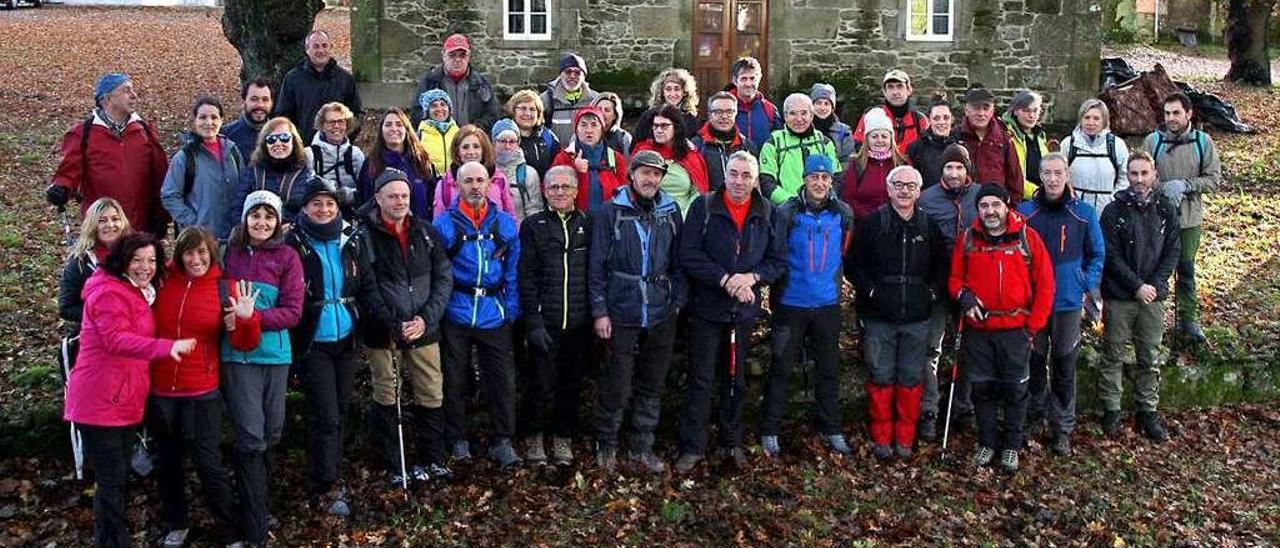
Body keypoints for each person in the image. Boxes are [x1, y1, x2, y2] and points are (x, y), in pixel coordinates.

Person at [63, 233, 195, 547]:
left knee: (117, 477)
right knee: (111, 481)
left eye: (151, 260)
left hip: (122, 397)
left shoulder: (137, 291)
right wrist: (167, 348)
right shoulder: (109, 292)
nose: (145, 266)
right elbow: (115, 339)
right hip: (100, 400)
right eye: (137, 259)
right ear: (122, 259)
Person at [675, 151, 786, 472]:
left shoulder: (767, 212)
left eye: (746, 176)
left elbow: (777, 260)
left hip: (743, 313)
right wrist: (725, 279)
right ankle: (692, 447)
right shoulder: (704, 206)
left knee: (736, 380)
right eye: (734, 174)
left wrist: (751, 278)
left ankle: (731, 442)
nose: (739, 182)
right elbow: (689, 254)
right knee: (700, 378)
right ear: (725, 174)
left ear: (755, 180)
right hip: (707, 309)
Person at [149, 227, 251, 547]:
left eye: (203, 252)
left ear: (212, 253)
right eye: (190, 253)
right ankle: (176, 523)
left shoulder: (226, 288)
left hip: (202, 389)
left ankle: (229, 529)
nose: (197, 259)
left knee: (209, 464)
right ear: (179, 255)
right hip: (161, 388)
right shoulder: (161, 283)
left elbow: (243, 343)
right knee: (167, 462)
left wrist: (245, 322)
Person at [355, 168, 455, 485]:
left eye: (404, 196)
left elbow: (443, 278)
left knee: (431, 392)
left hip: (425, 329)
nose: (399, 201)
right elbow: (366, 288)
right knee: (388, 394)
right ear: (378, 198)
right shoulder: (364, 237)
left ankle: (433, 458)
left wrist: (426, 318)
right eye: (392, 196)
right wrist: (392, 324)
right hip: (384, 334)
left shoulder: (425, 232)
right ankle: (393, 462)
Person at [589, 150, 686, 473]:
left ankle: (641, 446)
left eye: (656, 174)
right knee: (617, 381)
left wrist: (677, 300)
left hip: (661, 307)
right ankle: (607, 444)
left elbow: (679, 261)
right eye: (644, 173)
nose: (650, 179)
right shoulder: (610, 212)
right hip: (621, 305)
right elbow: (597, 265)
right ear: (631, 175)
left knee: (652, 381)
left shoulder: (670, 212)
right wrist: (600, 310)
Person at [947, 184, 1054, 473]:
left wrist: (1032, 327)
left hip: (1016, 329)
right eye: (984, 206)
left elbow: (1045, 285)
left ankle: (1011, 446)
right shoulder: (968, 239)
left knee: (1015, 390)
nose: (990, 211)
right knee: (982, 388)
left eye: (996, 205)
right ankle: (988, 442)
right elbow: (955, 278)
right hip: (979, 328)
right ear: (978, 209)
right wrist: (964, 296)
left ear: (1007, 206)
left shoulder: (1026, 238)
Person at [221, 191, 304, 546]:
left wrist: (253, 316)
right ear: (245, 218)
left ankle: (257, 500)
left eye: (268, 216)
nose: (261, 223)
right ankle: (254, 520)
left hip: (275, 354)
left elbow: (293, 310)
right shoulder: (229, 253)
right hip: (239, 358)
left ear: (278, 221)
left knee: (272, 430)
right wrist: (231, 317)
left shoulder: (287, 257)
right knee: (251, 434)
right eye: (255, 215)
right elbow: (215, 299)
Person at [849, 166, 948, 459]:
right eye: (898, 185)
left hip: (917, 316)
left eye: (911, 186)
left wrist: (930, 293)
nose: (904, 191)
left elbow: (942, 266)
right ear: (889, 189)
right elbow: (854, 264)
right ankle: (882, 438)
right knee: (880, 376)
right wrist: (871, 293)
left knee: (910, 377)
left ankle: (904, 439)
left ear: (919, 191)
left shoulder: (928, 226)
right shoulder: (871, 224)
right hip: (879, 316)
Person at [758, 155, 854, 458]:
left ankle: (831, 428)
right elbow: (775, 252)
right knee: (781, 368)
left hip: (827, 304)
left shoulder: (843, 212)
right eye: (815, 177)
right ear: (805, 179)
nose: (820, 183)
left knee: (828, 369)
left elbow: (844, 251)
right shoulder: (787, 212)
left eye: (825, 178)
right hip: (791, 303)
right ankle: (770, 429)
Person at [434, 162, 523, 469]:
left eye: (480, 180)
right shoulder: (444, 226)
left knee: (500, 380)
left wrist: (511, 308)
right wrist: (441, 310)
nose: (474, 186)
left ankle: (502, 440)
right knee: (455, 379)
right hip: (457, 311)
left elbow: (514, 269)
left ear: (489, 184)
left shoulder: (505, 224)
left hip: (494, 313)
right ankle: (458, 439)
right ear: (456, 186)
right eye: (468, 181)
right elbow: (438, 273)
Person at [1015, 153, 1105, 455]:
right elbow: (1015, 253)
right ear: (1039, 176)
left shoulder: (1083, 213)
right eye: (1047, 173)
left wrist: (1083, 282)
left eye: (1058, 173)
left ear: (1067, 175)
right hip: (1034, 301)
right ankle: (1034, 416)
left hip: (1067, 301)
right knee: (1035, 362)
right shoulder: (1025, 213)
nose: (1052, 179)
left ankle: (1062, 427)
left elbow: (1097, 254)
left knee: (1065, 363)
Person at [284, 178, 363, 513]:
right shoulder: (293, 241)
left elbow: (363, 281)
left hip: (346, 334)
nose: (324, 209)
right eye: (316, 204)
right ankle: (325, 484)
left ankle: (332, 471)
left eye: (329, 203)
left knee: (340, 410)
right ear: (304, 207)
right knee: (325, 414)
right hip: (313, 338)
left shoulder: (348, 237)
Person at [1097, 151, 1180, 442]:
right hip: (1121, 295)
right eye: (1134, 174)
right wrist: (1135, 286)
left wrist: (1154, 284)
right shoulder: (1113, 210)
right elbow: (1111, 255)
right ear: (1127, 175)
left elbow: (1173, 250)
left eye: (1144, 173)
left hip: (1153, 297)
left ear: (1154, 174)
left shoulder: (1166, 208)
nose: (1139, 180)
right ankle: (1111, 409)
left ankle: (1147, 410)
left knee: (1150, 357)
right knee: (1113, 353)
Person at [518, 166, 592, 466]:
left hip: (578, 323)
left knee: (571, 383)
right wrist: (533, 323)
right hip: (546, 321)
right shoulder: (534, 225)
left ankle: (563, 436)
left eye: (565, 187)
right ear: (545, 191)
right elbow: (527, 277)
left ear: (576, 190)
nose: (560, 192)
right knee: (541, 383)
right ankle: (534, 436)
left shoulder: (588, 223)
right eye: (553, 187)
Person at [1143, 91, 1223, 344]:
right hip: (1157, 218)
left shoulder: (1203, 142)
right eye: (1167, 113)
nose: (1171, 118)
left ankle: (1188, 320)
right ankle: (1149, 321)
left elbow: (1214, 180)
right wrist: (1160, 188)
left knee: (1186, 270)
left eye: (1176, 113)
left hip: (1189, 218)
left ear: (1189, 114)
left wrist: (1186, 185)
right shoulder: (1152, 141)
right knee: (1153, 269)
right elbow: (1140, 176)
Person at [46, 72, 170, 235]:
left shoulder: (144, 131)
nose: (134, 95)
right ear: (107, 98)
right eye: (126, 90)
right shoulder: (83, 134)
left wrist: (161, 217)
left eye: (133, 90)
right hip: (102, 227)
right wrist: (61, 188)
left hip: (140, 226)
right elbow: (68, 172)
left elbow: (161, 175)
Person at [916, 143, 980, 437]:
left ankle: (963, 405)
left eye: (959, 168)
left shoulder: (980, 196)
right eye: (949, 168)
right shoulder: (927, 199)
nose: (954, 174)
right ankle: (929, 409)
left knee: (969, 348)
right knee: (932, 347)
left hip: (972, 284)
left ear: (967, 170)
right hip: (938, 285)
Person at [161, 97, 244, 239]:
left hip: (233, 238)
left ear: (221, 120)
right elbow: (169, 195)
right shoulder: (185, 157)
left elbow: (243, 188)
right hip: (200, 240)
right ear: (195, 121)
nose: (209, 123)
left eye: (214, 117)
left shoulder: (233, 151)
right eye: (203, 117)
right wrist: (193, 223)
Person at [60, 199, 133, 335]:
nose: (110, 225)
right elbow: (66, 307)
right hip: (96, 334)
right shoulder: (80, 262)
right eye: (102, 221)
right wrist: (102, 316)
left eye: (115, 219)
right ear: (92, 225)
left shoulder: (137, 254)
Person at [275, 29, 362, 142]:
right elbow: (283, 115)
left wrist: (344, 139)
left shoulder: (345, 79)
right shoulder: (293, 79)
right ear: (307, 49)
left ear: (330, 47)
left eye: (325, 46)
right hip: (303, 148)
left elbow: (356, 115)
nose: (321, 50)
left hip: (338, 149)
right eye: (316, 46)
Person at [760, 93, 842, 205]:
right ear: (785, 116)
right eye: (793, 113)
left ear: (812, 115)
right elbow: (766, 182)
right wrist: (793, 204)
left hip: (822, 209)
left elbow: (837, 177)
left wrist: (824, 200)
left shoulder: (824, 142)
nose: (799, 119)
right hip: (786, 211)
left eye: (804, 113)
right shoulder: (773, 143)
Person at [358, 108, 438, 221]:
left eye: (399, 124)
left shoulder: (422, 161)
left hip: (420, 231)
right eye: (388, 125)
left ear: (406, 129)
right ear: (381, 130)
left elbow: (433, 199)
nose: (394, 129)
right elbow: (364, 200)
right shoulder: (371, 164)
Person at [231, 116, 313, 225]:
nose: (278, 143)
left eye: (284, 137)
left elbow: (308, 210)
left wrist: (290, 226)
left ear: (294, 141)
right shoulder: (254, 171)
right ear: (265, 144)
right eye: (271, 139)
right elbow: (238, 208)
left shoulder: (304, 172)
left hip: (291, 235)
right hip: (257, 233)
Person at [632, 105, 711, 217]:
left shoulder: (690, 155)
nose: (659, 130)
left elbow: (697, 193)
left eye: (664, 126)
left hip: (684, 220)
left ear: (676, 127)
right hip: (648, 218)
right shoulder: (643, 152)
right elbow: (633, 187)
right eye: (655, 126)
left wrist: (684, 217)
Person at [412, 33, 501, 130]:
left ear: (468, 57)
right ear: (444, 56)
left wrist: (476, 128)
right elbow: (417, 113)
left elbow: (493, 113)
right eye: (452, 55)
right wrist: (440, 126)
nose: (457, 59)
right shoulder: (430, 81)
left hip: (471, 141)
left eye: (462, 55)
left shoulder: (481, 83)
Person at [551, 107, 629, 213]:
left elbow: (625, 193)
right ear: (576, 130)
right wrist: (574, 170)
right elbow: (554, 191)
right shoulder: (564, 157)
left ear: (602, 129)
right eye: (583, 125)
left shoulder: (616, 158)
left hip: (609, 221)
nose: (589, 130)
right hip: (576, 222)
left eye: (594, 125)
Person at [431, 125, 516, 218]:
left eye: (476, 146)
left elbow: (510, 216)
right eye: (465, 147)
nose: (471, 152)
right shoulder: (445, 184)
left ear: (483, 150)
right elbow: (438, 224)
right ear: (457, 152)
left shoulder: (499, 179)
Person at [956, 87, 1024, 205]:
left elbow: (1015, 179)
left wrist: (1011, 207)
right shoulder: (956, 138)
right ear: (966, 110)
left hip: (995, 208)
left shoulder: (1004, 140)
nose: (981, 113)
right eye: (976, 108)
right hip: (963, 207)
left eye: (986, 108)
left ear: (992, 111)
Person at [1061, 99, 1129, 213]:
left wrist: (1113, 201)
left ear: (1104, 121)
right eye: (1087, 117)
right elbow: (1061, 174)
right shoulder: (1068, 144)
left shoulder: (1117, 145)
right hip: (1075, 209)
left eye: (1096, 118)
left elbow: (1125, 177)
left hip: (1106, 210)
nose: (1091, 123)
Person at [842, 108, 909, 220]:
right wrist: (871, 218)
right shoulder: (857, 164)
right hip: (866, 224)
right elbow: (848, 198)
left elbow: (911, 194)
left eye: (884, 136)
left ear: (891, 139)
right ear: (867, 140)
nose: (879, 140)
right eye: (874, 136)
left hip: (897, 222)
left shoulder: (902, 164)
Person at [693, 91, 759, 193]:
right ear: (710, 115)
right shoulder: (697, 146)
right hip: (709, 205)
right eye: (718, 112)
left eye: (729, 112)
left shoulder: (748, 147)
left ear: (736, 113)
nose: (724, 116)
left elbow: (756, 185)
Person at [853, 69, 929, 154]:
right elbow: (858, 147)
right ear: (884, 92)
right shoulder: (871, 116)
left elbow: (928, 152)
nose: (895, 92)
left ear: (909, 90)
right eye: (890, 87)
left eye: (900, 86)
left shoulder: (920, 120)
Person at [308, 101, 364, 210]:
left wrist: (348, 195)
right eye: (331, 122)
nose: (336, 126)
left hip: (350, 212)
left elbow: (365, 189)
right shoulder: (310, 154)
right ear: (322, 126)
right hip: (320, 211)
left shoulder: (356, 155)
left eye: (341, 122)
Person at [1001, 90, 1051, 200]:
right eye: (1026, 111)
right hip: (1018, 198)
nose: (1032, 115)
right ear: (1015, 111)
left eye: (1035, 110)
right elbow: (1011, 175)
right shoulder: (1006, 135)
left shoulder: (1039, 135)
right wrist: (1038, 192)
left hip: (1042, 197)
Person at [541, 53, 600, 146]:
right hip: (556, 157)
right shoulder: (546, 99)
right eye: (568, 71)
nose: (572, 76)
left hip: (587, 156)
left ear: (584, 77)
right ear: (560, 74)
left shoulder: (595, 100)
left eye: (577, 72)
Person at [492, 118, 544, 223]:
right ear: (493, 142)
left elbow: (534, 211)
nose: (507, 146)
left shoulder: (528, 174)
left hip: (520, 235)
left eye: (512, 142)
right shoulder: (485, 172)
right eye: (502, 141)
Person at [725, 56, 781, 150]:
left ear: (759, 79)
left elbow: (779, 142)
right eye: (744, 79)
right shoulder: (723, 108)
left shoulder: (770, 109)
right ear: (735, 81)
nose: (748, 84)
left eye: (752, 78)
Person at [907, 95, 960, 190]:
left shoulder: (960, 148)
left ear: (952, 119)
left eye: (946, 117)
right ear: (929, 120)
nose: (941, 122)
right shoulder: (916, 148)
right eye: (936, 118)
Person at [505, 89, 560, 176]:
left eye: (532, 109)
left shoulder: (548, 137)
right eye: (523, 108)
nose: (527, 113)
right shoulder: (504, 137)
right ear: (513, 110)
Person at [224, 77, 274, 163]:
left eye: (265, 100)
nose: (260, 105)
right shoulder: (227, 136)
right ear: (244, 102)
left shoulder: (281, 135)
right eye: (254, 99)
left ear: (271, 103)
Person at [640, 68, 700, 136]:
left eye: (677, 89)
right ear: (662, 92)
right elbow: (637, 144)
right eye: (668, 89)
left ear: (684, 92)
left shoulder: (691, 120)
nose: (672, 94)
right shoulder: (648, 117)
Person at [416, 89, 460, 176]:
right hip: (430, 183)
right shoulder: (420, 134)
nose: (439, 109)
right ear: (427, 111)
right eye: (434, 106)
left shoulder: (458, 132)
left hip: (455, 182)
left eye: (443, 105)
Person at [810, 82, 857, 162]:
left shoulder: (844, 131)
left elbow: (847, 160)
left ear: (832, 108)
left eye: (826, 104)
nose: (822, 108)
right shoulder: (804, 128)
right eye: (818, 103)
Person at [593, 92, 633, 158]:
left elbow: (629, 164)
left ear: (615, 115)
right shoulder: (582, 133)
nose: (602, 113)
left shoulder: (624, 138)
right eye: (599, 109)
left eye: (607, 110)